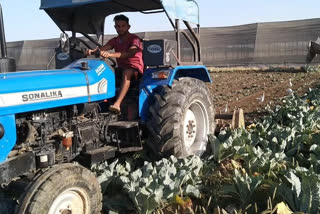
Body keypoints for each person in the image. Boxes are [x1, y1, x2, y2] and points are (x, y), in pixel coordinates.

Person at [87, 14, 144, 114]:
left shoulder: (135, 39)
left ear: (128, 27)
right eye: (118, 26)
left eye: (123, 26)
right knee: (102, 71)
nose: (120, 28)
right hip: (121, 68)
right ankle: (94, 106)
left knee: (127, 72)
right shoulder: (115, 40)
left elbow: (129, 53)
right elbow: (102, 48)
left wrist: (110, 54)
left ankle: (117, 104)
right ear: (115, 27)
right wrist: (91, 51)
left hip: (135, 68)